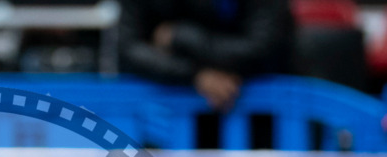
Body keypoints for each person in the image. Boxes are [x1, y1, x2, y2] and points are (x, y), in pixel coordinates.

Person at [118, 0, 294, 111]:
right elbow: (128, 48)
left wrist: (183, 37)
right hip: (162, 111)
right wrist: (196, 75)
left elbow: (263, 46)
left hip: (263, 111)